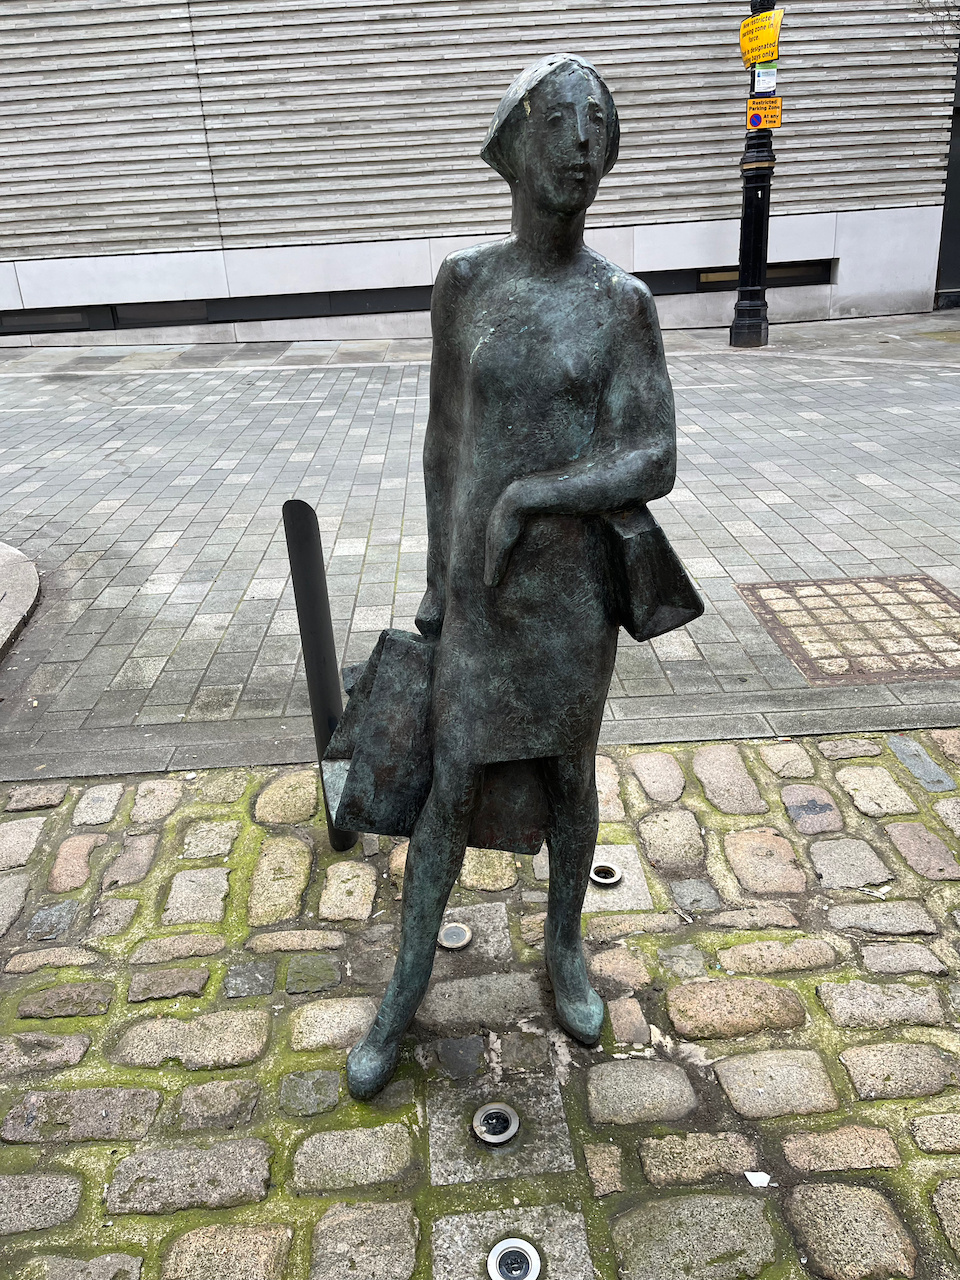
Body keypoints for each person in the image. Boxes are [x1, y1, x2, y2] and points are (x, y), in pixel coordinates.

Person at [346, 52, 678, 1100]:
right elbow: (445, 443)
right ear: (516, 140)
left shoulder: (621, 302)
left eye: (599, 127)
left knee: (573, 774)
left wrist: (534, 496)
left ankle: (565, 945)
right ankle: (404, 988)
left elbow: (654, 452)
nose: (584, 143)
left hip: (573, 594)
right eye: (563, 122)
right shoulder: (466, 284)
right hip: (481, 596)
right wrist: (440, 585)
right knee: (451, 782)